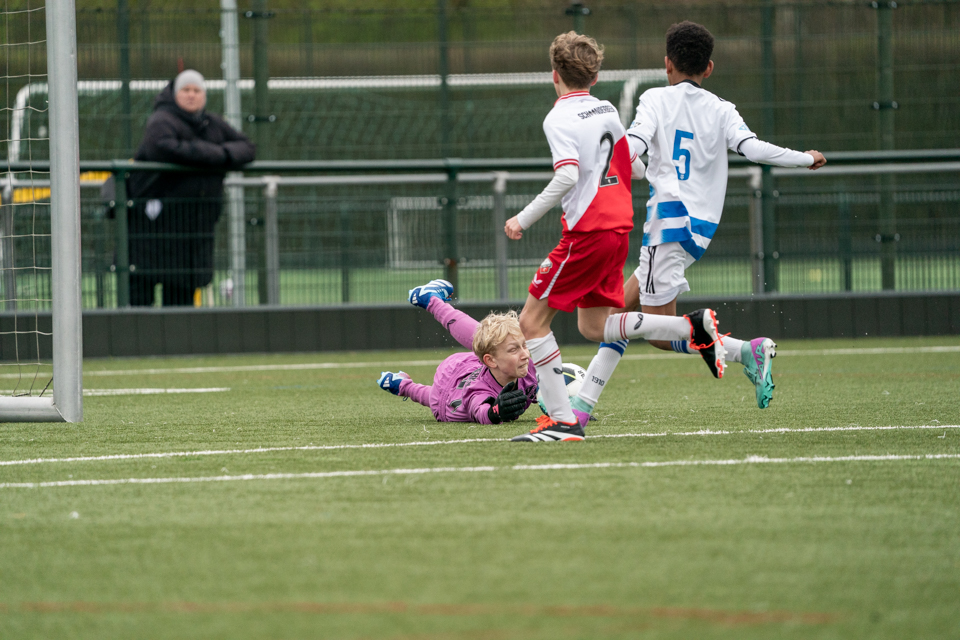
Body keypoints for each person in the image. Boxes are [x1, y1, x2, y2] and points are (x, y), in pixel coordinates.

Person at [571, 21, 828, 420]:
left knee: (658, 334)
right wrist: (805, 158)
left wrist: (604, 155)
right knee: (620, 313)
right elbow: (753, 149)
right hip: (699, 231)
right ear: (709, 68)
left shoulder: (655, 98)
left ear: (667, 64)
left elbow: (634, 143)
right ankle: (582, 404)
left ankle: (747, 351)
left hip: (667, 225)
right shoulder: (723, 109)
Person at [503, 32, 724, 443]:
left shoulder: (558, 117)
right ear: (595, 77)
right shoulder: (605, 109)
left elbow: (567, 175)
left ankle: (563, 422)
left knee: (531, 322)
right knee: (595, 326)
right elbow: (635, 166)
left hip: (586, 234)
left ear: (554, 75)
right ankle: (688, 327)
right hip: (618, 230)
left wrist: (523, 218)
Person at [127, 69, 256, 306]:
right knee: (140, 299)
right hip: (153, 227)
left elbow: (247, 147)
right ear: (175, 94)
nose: (191, 95)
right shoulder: (161, 120)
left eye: (197, 90)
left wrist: (220, 154)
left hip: (193, 230)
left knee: (181, 301)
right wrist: (215, 155)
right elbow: (163, 148)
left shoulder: (213, 123)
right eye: (185, 90)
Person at [377, 279, 538, 425]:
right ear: (490, 361)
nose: (526, 355)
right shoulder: (477, 391)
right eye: (514, 350)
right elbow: (481, 411)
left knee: (491, 338)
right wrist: (495, 412)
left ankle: (399, 383)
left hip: (472, 368)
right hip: (447, 384)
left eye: (524, 345)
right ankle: (403, 386)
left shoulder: (524, 365)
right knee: (436, 397)